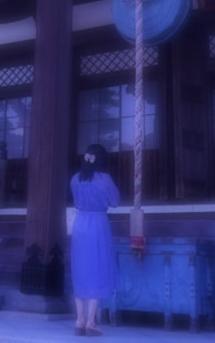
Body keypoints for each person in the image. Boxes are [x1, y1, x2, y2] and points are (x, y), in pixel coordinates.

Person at [70, 144, 120, 336]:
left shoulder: (75, 179)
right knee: (97, 268)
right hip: (98, 223)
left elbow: (76, 201)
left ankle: (79, 320)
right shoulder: (104, 179)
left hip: (80, 223)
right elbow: (115, 201)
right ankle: (90, 322)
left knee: (80, 268)